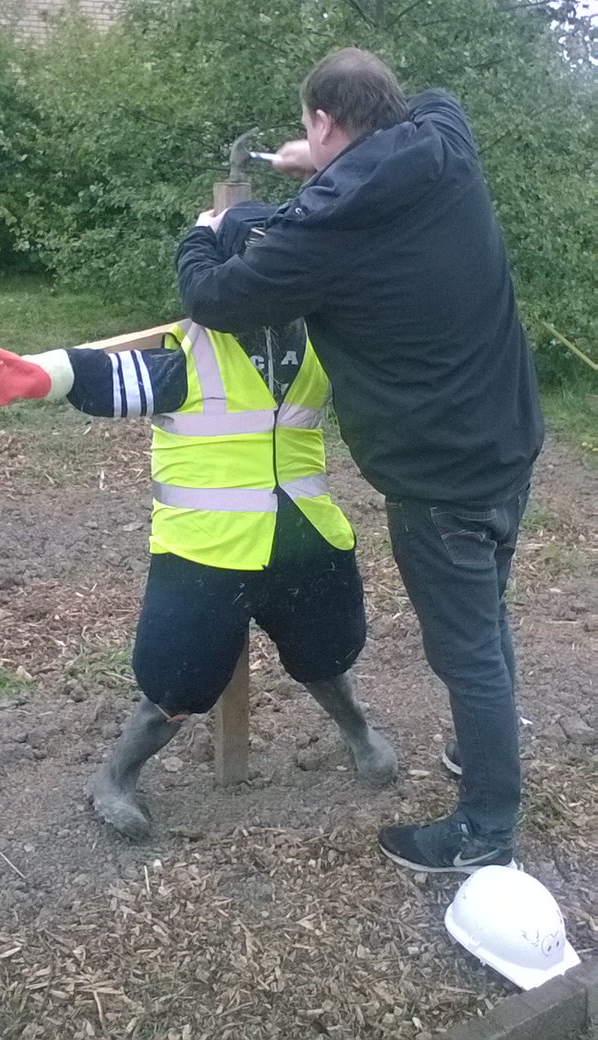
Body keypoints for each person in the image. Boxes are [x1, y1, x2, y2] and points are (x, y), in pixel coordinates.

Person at [176, 48, 544, 873]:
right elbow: (434, 99)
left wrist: (206, 234)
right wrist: (325, 159)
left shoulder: (322, 232)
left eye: (312, 128)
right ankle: (483, 758)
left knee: (465, 649)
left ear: (319, 120)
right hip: (508, 438)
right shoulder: (445, 142)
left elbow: (219, 297)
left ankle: (484, 830)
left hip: (437, 474)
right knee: (483, 623)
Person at [0, 202, 398, 842]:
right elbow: (105, 374)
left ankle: (357, 732)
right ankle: (116, 776)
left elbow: (394, 371)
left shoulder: (325, 343)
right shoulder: (192, 352)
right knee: (176, 679)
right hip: (203, 552)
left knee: (325, 651)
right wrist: (44, 375)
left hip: (307, 539)